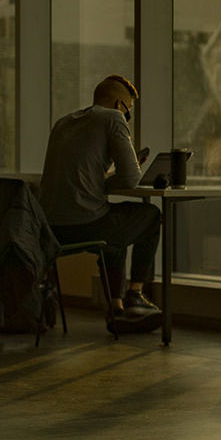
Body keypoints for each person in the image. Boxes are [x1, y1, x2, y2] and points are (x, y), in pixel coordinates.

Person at [39, 74, 164, 332]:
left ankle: (116, 309)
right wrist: (121, 173)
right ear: (119, 105)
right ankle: (135, 295)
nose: (127, 116)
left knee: (116, 224)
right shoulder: (113, 118)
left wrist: (103, 180)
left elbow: (80, 176)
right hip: (86, 224)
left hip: (50, 229)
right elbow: (131, 178)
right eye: (129, 111)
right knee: (150, 216)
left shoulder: (63, 123)